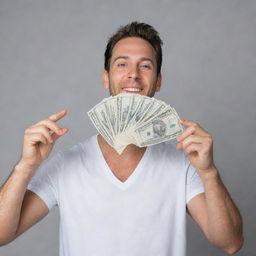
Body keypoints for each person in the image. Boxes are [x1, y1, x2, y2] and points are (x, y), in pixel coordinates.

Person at [0, 22, 243, 255]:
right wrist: (25, 166)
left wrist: (209, 172)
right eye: (122, 64)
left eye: (145, 66)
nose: (133, 75)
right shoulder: (66, 165)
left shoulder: (182, 167)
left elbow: (230, 243)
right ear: (106, 78)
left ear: (158, 81)